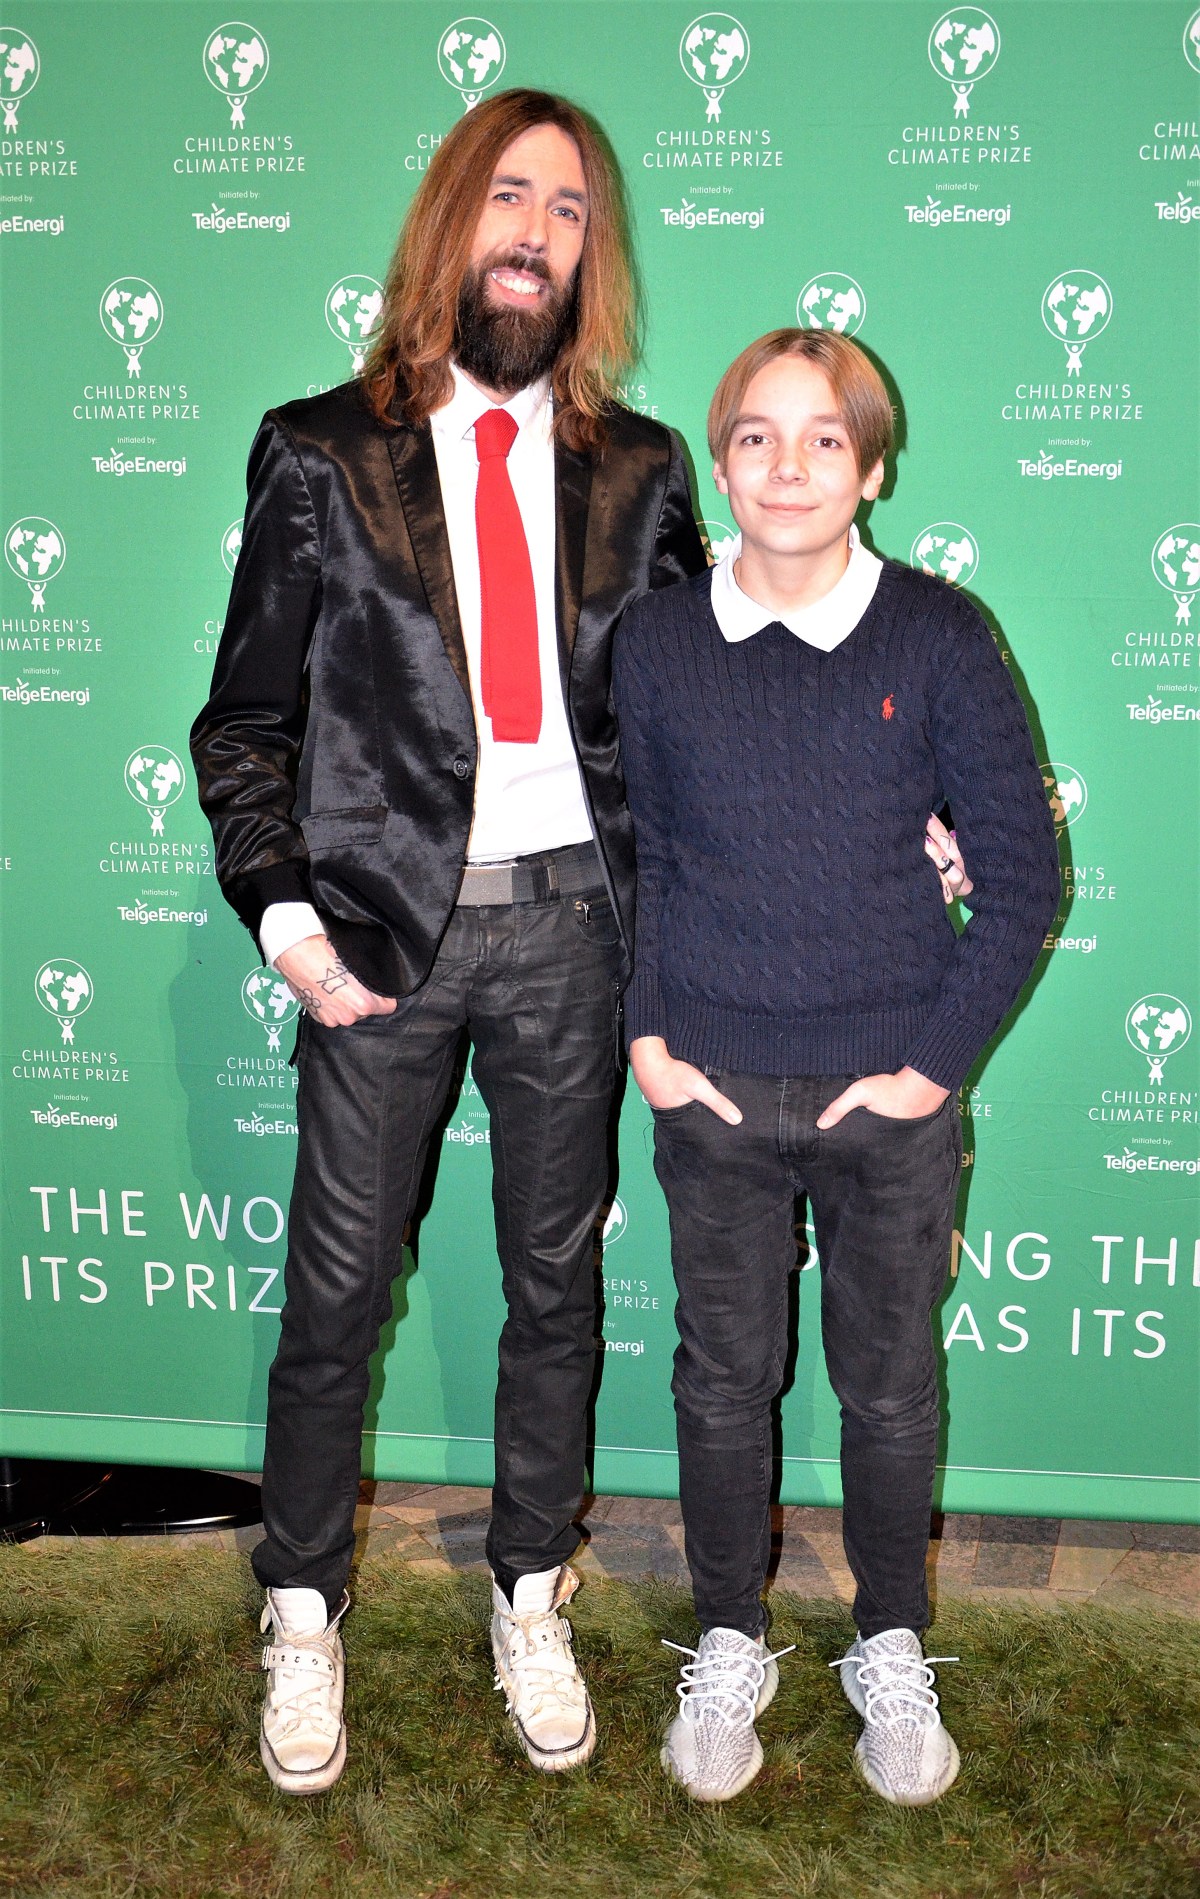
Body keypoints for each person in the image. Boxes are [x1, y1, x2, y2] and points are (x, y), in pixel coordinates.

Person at [190, 87, 709, 1795]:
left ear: (589, 254)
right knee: (336, 1291)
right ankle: (300, 1605)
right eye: (509, 196)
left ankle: (530, 1588)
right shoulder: (319, 451)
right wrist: (287, 923)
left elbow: (710, 705)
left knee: (556, 1288)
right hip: (377, 946)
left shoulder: (642, 471)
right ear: (449, 221)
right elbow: (246, 724)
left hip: (574, 934)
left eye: (568, 209)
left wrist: (886, 782)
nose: (535, 234)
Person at [612, 328, 1059, 1807]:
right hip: (713, 1091)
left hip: (890, 1101)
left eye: (823, 439)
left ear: (871, 468)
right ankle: (728, 1638)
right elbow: (644, 858)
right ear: (720, 461)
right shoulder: (658, 642)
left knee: (891, 1391)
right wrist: (649, 1038)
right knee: (721, 1386)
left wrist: (928, 1071)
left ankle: (890, 1641)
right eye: (756, 436)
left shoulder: (941, 635)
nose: (788, 466)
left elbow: (1022, 881)